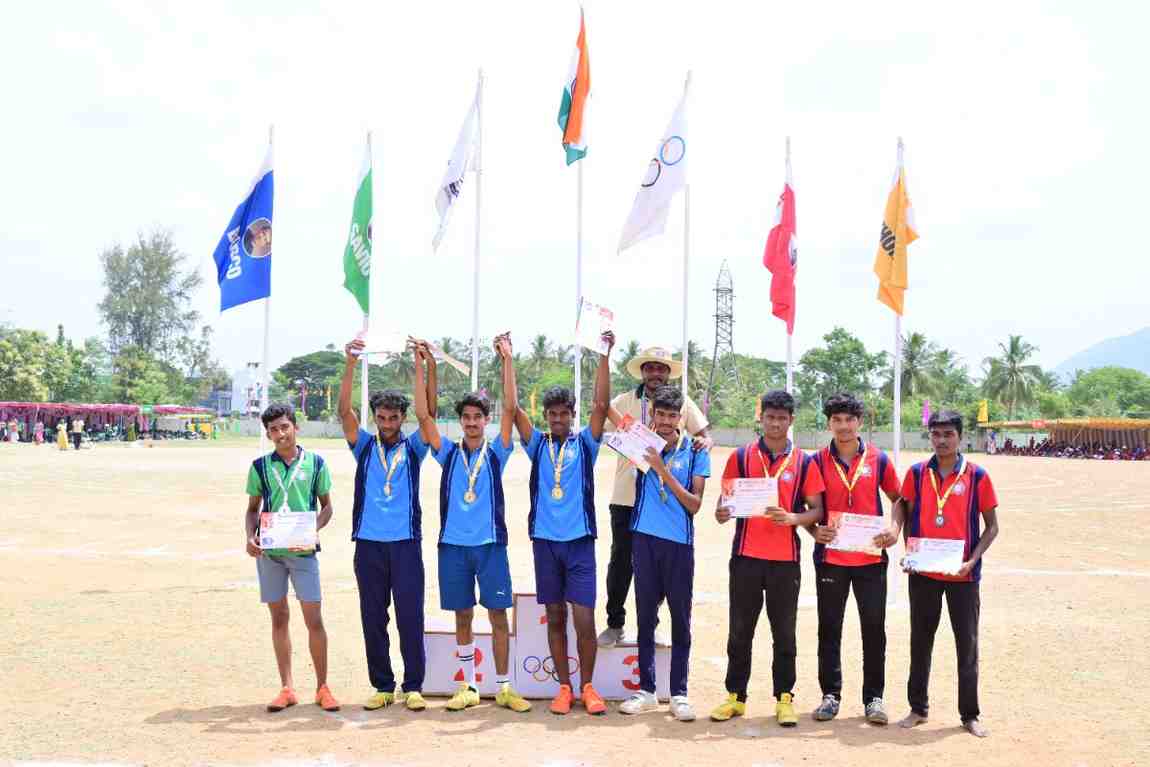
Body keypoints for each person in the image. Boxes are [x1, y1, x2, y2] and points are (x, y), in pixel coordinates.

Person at [412, 339, 532, 714]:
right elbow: (423, 417)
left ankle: (505, 687)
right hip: (453, 546)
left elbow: (511, 407)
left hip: (490, 545)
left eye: (478, 417)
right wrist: (421, 365)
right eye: (465, 417)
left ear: (485, 420)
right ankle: (468, 686)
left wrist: (507, 360)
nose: (471, 422)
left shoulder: (497, 453)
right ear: (461, 421)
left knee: (498, 616)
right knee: (462, 615)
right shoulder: (447, 453)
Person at [504, 330, 613, 715]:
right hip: (546, 544)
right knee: (554, 616)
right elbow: (512, 408)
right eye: (552, 414)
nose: (558, 419)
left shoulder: (586, 444)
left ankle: (589, 687)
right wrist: (507, 359)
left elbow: (602, 404)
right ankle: (564, 688)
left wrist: (604, 354)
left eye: (564, 413)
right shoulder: (537, 445)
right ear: (546, 417)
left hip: (580, 543)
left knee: (584, 619)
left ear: (572, 415)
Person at [710, 389, 824, 727]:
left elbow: (817, 509)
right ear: (761, 419)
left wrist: (793, 518)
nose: (775, 424)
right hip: (746, 556)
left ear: (791, 420)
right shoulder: (741, 456)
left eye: (782, 418)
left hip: (785, 560)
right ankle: (735, 697)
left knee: (784, 633)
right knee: (740, 631)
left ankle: (784, 698)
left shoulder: (803, 461)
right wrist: (721, 512)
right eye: (770, 417)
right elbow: (724, 503)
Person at [338, 338, 433, 713]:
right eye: (382, 417)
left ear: (402, 419)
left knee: (410, 616)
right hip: (369, 544)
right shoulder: (363, 446)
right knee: (373, 617)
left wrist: (419, 364)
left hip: (406, 544)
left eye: (394, 418)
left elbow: (427, 414)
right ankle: (382, 685)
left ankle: (414, 686)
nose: (388, 424)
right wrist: (350, 363)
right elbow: (344, 411)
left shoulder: (415, 448)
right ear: (375, 418)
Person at [598, 347, 712, 648]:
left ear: (668, 373)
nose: (656, 373)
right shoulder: (626, 400)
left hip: (662, 502)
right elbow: (602, 409)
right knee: (621, 562)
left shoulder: (681, 401)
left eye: (661, 368)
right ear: (642, 371)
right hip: (626, 495)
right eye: (650, 368)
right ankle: (615, 623)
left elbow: (704, 434)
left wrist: (705, 441)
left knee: (657, 567)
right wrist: (604, 358)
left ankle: (652, 625)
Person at [897, 410, 1000, 738]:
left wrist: (973, 560)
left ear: (960, 436)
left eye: (948, 435)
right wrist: (909, 551)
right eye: (936, 434)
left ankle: (969, 714)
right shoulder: (916, 473)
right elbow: (903, 509)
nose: (941, 441)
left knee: (966, 645)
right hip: (924, 574)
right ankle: (917, 708)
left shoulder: (977, 476)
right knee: (920, 641)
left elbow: (992, 526)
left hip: (963, 576)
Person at [807, 393, 904, 724]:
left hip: (870, 559)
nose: (844, 426)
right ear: (829, 423)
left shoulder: (878, 459)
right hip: (831, 559)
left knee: (874, 630)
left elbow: (898, 498)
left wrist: (894, 528)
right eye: (837, 420)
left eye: (849, 419)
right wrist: (814, 530)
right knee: (829, 628)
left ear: (859, 422)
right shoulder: (817, 461)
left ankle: (874, 698)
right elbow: (808, 507)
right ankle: (830, 695)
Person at [617, 385, 710, 722]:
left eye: (673, 415)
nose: (667, 421)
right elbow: (606, 412)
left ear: (681, 417)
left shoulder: (696, 451)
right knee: (645, 617)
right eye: (661, 414)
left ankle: (679, 694)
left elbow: (694, 504)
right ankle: (646, 690)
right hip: (644, 540)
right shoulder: (640, 443)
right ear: (653, 415)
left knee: (681, 619)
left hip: (678, 544)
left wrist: (661, 468)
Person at [244, 403, 340, 713]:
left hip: (303, 551)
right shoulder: (260, 467)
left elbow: (327, 507)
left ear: (295, 427)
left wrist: (313, 529)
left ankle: (322, 687)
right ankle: (286, 688)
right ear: (268, 434)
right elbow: (252, 509)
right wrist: (250, 537)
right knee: (279, 618)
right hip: (270, 553)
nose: (280, 433)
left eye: (284, 426)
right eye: (273, 429)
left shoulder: (316, 463)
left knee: (314, 618)